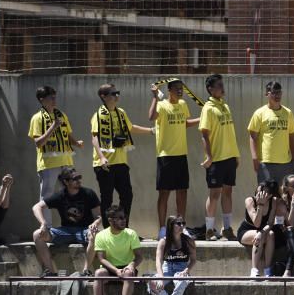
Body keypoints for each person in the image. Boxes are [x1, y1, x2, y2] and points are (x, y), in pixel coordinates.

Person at [90, 83, 153, 220]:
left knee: (127, 195)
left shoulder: (121, 113)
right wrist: (101, 157)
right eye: (113, 93)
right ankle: (108, 229)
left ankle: (123, 225)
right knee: (107, 197)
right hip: (104, 165)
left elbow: (131, 128)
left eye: (117, 92)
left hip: (121, 162)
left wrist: (151, 131)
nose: (117, 96)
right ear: (104, 97)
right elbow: (95, 138)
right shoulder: (98, 116)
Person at [149, 78, 200, 236]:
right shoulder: (162, 105)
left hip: (181, 154)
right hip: (165, 155)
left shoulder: (183, 104)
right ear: (169, 90)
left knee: (182, 191)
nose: (180, 91)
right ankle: (162, 229)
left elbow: (184, 123)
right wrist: (155, 97)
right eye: (177, 88)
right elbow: (151, 117)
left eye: (181, 88)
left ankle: (180, 227)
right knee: (164, 193)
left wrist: (201, 119)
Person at [31, 167, 101, 278]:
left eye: (79, 177)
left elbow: (98, 216)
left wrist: (95, 223)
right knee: (37, 235)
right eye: (75, 178)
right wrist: (43, 223)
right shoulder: (60, 195)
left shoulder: (89, 193)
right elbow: (36, 207)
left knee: (94, 234)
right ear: (66, 182)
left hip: (84, 230)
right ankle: (51, 271)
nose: (79, 180)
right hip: (65, 231)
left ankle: (86, 271)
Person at [199, 73, 239, 242]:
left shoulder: (225, 106)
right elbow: (204, 135)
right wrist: (209, 156)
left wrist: (236, 154)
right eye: (219, 85)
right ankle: (209, 230)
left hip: (230, 157)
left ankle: (227, 228)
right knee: (214, 194)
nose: (223, 88)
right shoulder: (208, 108)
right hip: (216, 159)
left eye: (223, 85)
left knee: (228, 192)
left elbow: (230, 132)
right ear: (210, 89)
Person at [28, 85, 83, 201]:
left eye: (55, 97)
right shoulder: (37, 118)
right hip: (48, 164)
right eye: (51, 98)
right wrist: (52, 127)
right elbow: (38, 143)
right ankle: (44, 220)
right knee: (46, 197)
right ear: (42, 99)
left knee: (73, 193)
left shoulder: (61, 115)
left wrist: (76, 143)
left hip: (66, 162)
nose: (54, 100)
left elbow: (67, 136)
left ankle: (70, 219)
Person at [93, 205, 142, 295]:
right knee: (98, 273)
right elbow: (101, 259)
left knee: (129, 273)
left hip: (126, 268)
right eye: (120, 218)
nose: (124, 220)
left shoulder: (131, 233)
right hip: (110, 268)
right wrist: (116, 270)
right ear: (110, 220)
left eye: (124, 217)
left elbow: (139, 256)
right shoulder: (101, 235)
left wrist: (131, 265)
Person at [248, 81, 294, 184]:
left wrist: (293, 159)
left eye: (279, 92)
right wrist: (254, 159)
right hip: (266, 163)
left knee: (284, 196)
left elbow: (292, 136)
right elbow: (253, 137)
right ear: (267, 94)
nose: (277, 95)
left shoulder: (288, 113)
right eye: (274, 92)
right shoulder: (259, 113)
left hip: (286, 163)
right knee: (265, 196)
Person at [237, 181, 287, 278]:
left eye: (262, 193)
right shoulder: (250, 200)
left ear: (269, 195)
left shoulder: (273, 201)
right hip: (247, 230)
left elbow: (270, 223)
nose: (258, 194)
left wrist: (262, 233)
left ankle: (268, 270)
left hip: (264, 230)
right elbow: (257, 223)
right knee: (259, 236)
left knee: (271, 234)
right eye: (257, 191)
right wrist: (260, 205)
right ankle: (254, 270)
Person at [149, 216, 196, 295]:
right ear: (171, 226)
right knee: (152, 283)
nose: (182, 226)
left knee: (182, 281)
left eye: (183, 223)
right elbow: (158, 261)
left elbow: (193, 260)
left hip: (181, 267)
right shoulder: (163, 241)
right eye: (178, 224)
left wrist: (186, 270)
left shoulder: (189, 241)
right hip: (167, 267)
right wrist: (160, 278)